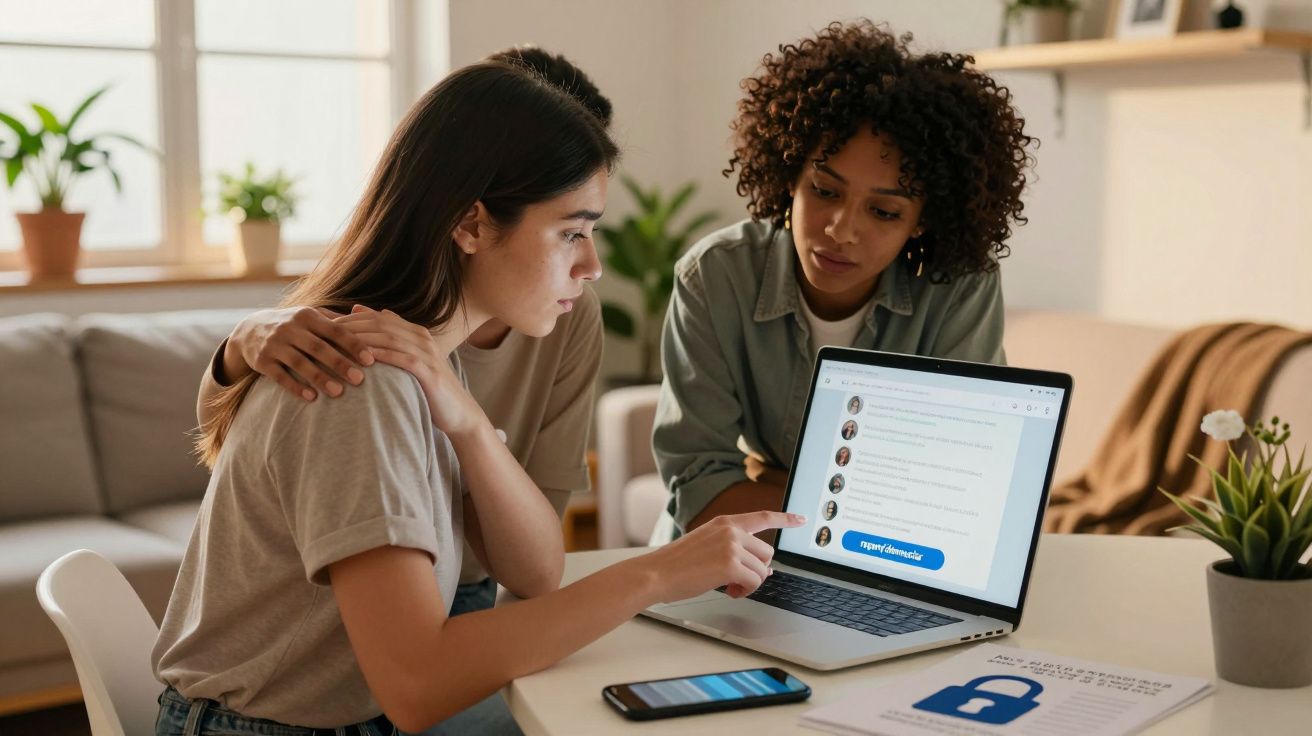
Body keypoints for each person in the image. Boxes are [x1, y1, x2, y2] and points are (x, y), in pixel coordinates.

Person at [153, 61, 804, 736]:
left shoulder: (426, 363)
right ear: (470, 225)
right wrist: (657, 574)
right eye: (570, 232)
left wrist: (469, 426)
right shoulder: (360, 380)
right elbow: (417, 683)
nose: (592, 266)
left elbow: (533, 573)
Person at [654, 21, 1034, 535]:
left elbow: (953, 485)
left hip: (876, 559)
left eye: (883, 212)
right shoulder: (716, 276)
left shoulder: (958, 287)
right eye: (825, 191)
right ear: (789, 174)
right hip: (729, 555)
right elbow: (699, 484)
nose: (841, 230)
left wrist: (775, 486)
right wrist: (862, 501)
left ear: (923, 219)